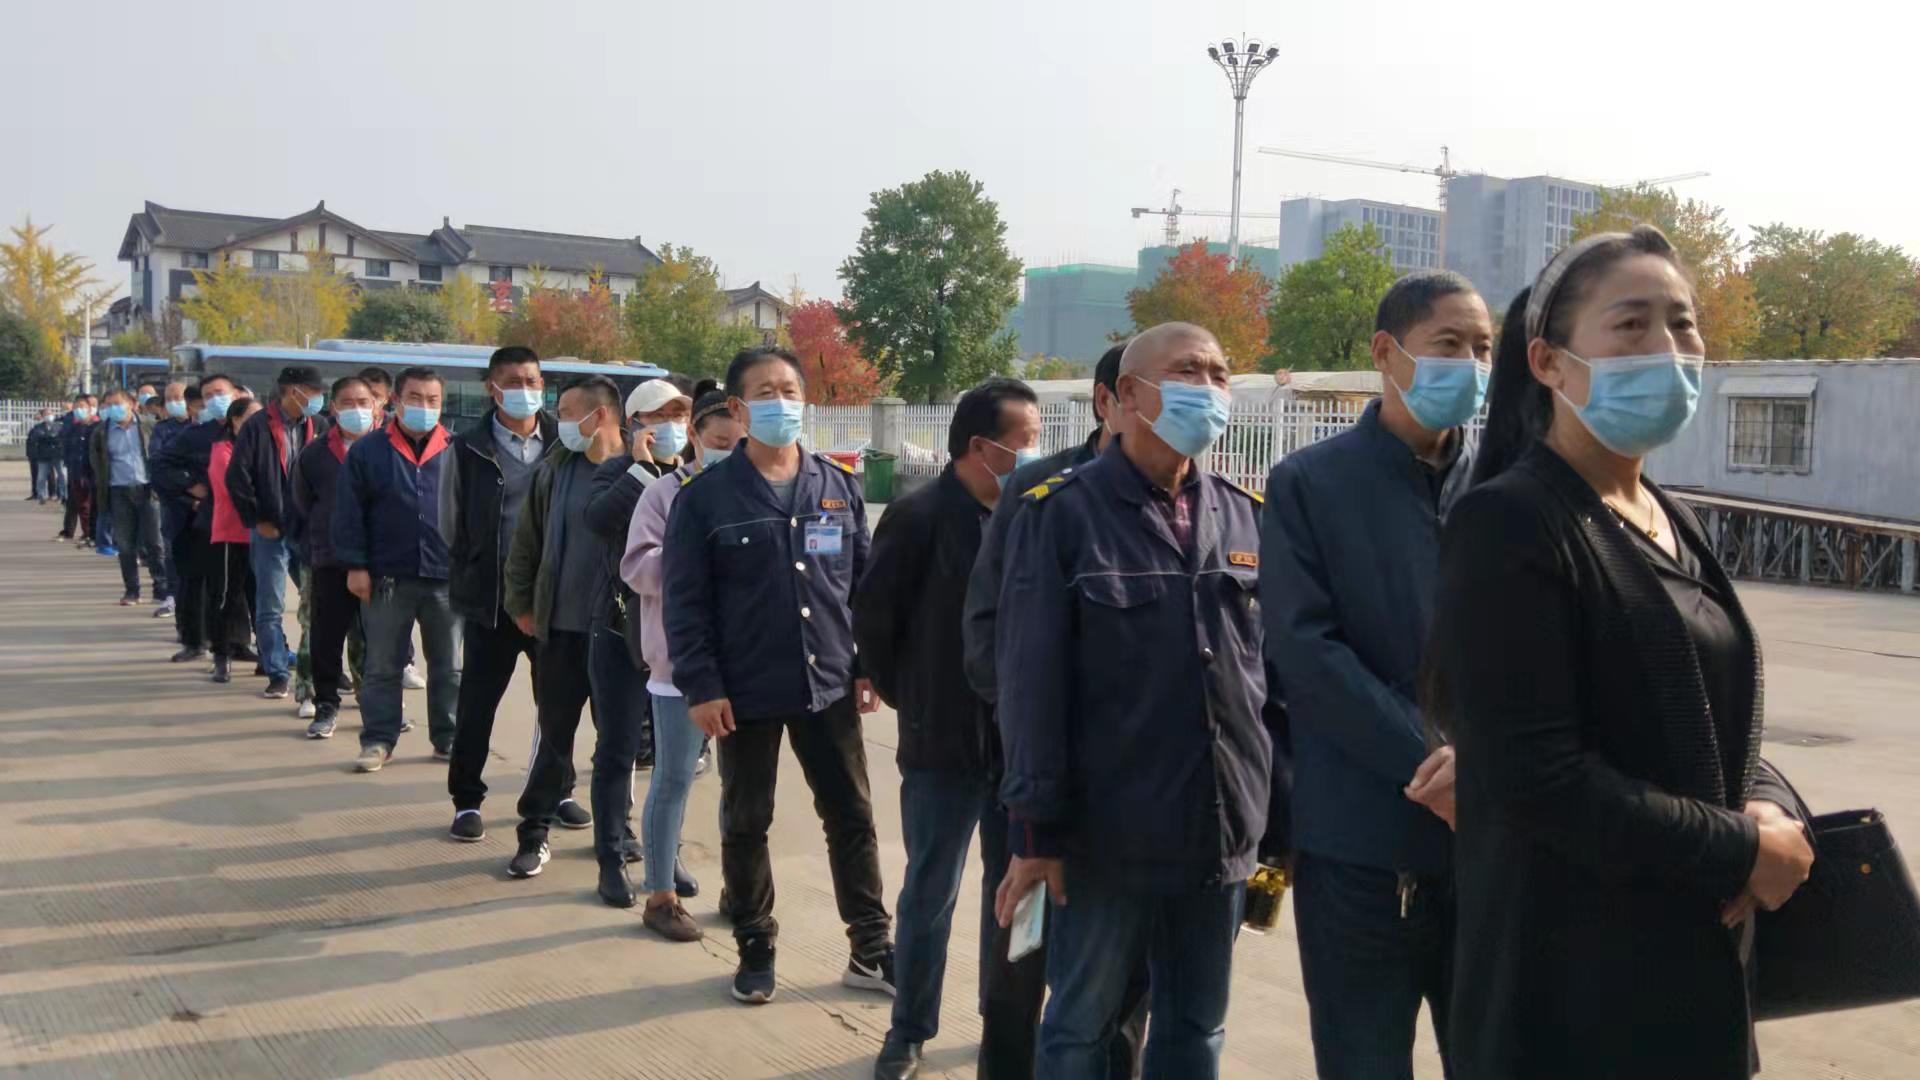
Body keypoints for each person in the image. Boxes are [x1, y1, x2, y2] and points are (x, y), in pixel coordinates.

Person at [1425, 226, 1814, 1080]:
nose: (1666, 349)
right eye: (1631, 325)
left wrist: (1769, 810)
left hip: (1693, 976)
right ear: (1548, 363)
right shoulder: (1511, 524)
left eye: (1683, 323)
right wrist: (1738, 852)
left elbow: (1719, 719)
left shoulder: (1675, 519)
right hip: (1574, 994)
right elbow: (1536, 777)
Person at [994, 323, 1267, 1080]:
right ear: (1128, 395)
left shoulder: (1244, 513)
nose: (1208, 389)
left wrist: (1274, 815)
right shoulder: (1060, 514)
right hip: (1105, 835)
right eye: (1187, 372)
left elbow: (1264, 682)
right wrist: (1034, 832)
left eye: (1219, 374)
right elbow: (1030, 685)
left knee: (1196, 1025)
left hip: (1219, 826)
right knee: (1080, 1026)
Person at [1258, 270, 1492, 1080]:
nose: (1471, 365)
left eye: (1483, 348)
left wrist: (1488, 769)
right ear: (1387, 353)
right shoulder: (1309, 484)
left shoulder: (1508, 485)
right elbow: (1306, 651)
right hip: (1358, 847)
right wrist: (1435, 762)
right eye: (1449, 345)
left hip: (1493, 846)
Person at [664, 347, 894, 1006]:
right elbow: (686, 604)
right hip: (744, 690)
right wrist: (703, 686)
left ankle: (871, 947)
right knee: (746, 820)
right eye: (766, 392)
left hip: (829, 683)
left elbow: (863, 588)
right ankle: (755, 943)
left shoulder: (837, 485)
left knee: (851, 816)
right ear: (738, 409)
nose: (782, 402)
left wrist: (868, 664)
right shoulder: (705, 499)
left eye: (790, 389)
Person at [854, 379, 1043, 1080]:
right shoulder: (919, 516)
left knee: (1014, 891)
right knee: (930, 892)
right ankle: (909, 1028)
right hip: (942, 743)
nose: (1033, 454)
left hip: (1019, 745)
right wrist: (918, 699)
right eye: (1025, 442)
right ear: (980, 447)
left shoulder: (1034, 515)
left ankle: (1006, 1025)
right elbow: (875, 622)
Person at [576, 375, 702, 904]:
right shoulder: (616, 472)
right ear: (635, 426)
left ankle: (665, 853)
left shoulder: (697, 477)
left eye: (679, 416)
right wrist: (641, 469)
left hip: (678, 637)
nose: (673, 425)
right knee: (619, 746)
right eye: (660, 417)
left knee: (676, 758)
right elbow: (598, 520)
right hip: (620, 628)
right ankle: (611, 856)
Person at [500, 375, 629, 878]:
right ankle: (534, 831)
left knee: (617, 742)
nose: (561, 420)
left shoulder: (639, 471)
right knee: (554, 735)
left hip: (620, 635)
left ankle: (619, 831)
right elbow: (526, 541)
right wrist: (522, 602)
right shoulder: (555, 469)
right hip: (561, 628)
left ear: (601, 415)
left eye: (571, 411)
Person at [622, 388, 738, 940]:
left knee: (743, 786)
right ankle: (659, 895)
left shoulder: (757, 493)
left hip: (747, 665)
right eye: (720, 442)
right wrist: (694, 556)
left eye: (740, 444)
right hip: (680, 665)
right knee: (672, 779)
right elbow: (637, 570)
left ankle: (742, 885)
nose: (730, 453)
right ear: (695, 438)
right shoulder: (664, 493)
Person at [441, 346, 562, 842]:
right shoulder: (467, 448)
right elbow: (450, 522)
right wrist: (474, 567)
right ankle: (467, 800)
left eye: (531, 381)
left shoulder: (564, 442)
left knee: (556, 705)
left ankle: (557, 791)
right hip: (490, 603)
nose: (524, 390)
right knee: (477, 707)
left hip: (552, 601)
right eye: (512, 381)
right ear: (492, 388)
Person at [333, 367, 462, 771]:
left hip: (446, 578)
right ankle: (378, 740)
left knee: (450, 667)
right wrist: (356, 566)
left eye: (432, 399)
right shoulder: (368, 451)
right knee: (382, 667)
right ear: (396, 401)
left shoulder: (458, 449)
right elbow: (348, 514)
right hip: (386, 577)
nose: (424, 406)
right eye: (415, 398)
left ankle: (448, 736)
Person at [228, 365, 330, 700]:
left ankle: (320, 667)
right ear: (293, 391)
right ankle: (276, 671)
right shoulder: (258, 426)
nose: (318, 398)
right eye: (313, 392)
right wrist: (256, 519)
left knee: (317, 603)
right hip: (271, 528)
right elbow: (237, 477)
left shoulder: (320, 425)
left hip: (309, 530)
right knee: (270, 605)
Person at [292, 376, 381, 741]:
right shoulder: (314, 454)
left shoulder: (388, 448)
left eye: (363, 402)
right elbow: (301, 502)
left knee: (378, 639)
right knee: (326, 637)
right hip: (329, 559)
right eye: (347, 403)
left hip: (381, 560)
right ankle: (326, 705)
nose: (356, 410)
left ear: (376, 406)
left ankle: (378, 709)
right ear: (333, 408)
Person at [153, 376, 241, 665]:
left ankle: (238, 642)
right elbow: (161, 466)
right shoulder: (194, 436)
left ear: (236, 394)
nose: (216, 399)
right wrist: (191, 489)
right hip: (196, 521)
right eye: (208, 395)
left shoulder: (249, 432)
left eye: (220, 393)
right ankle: (193, 640)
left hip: (239, 521)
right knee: (194, 582)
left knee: (237, 584)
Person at [87, 389, 171, 608]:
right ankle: (132, 590)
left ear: (132, 404)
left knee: (155, 543)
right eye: (108, 405)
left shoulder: (149, 426)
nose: (113, 408)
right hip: (118, 491)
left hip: (148, 489)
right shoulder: (101, 432)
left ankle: (162, 588)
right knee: (125, 545)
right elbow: (96, 462)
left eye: (117, 403)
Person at [203, 395, 261, 682]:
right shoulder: (222, 450)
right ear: (235, 420)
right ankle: (221, 655)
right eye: (251, 418)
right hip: (231, 533)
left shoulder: (262, 447)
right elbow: (234, 489)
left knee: (261, 598)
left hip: (261, 534)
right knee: (225, 596)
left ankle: (269, 654)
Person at [148, 381, 195, 623]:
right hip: (173, 500)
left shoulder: (201, 427)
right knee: (172, 551)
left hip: (201, 503)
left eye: (179, 397)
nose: (175, 403)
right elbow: (159, 464)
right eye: (169, 399)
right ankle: (173, 596)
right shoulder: (162, 430)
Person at [59, 394, 97, 545]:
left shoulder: (95, 427)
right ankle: (86, 533)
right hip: (75, 470)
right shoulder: (73, 428)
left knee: (91, 505)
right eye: (76, 407)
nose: (79, 410)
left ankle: (92, 534)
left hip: (91, 472)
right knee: (81, 505)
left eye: (82, 407)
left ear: (89, 409)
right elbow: (67, 447)